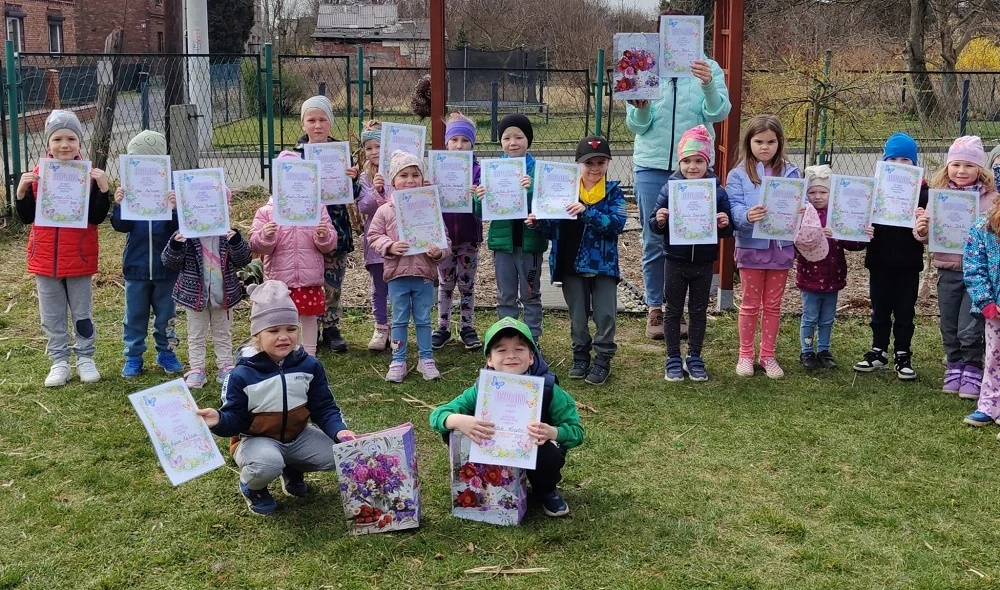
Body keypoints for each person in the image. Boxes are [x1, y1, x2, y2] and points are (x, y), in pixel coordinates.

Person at [196, 280, 356, 516]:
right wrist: (218, 419)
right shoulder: (241, 374)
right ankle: (253, 487)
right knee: (266, 464)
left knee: (341, 453)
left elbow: (324, 407)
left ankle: (291, 466)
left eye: (291, 329)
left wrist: (339, 431)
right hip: (257, 440)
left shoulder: (310, 366)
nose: (284, 337)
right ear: (257, 336)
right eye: (273, 331)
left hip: (298, 435)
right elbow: (235, 419)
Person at [625, 9, 732, 340]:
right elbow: (636, 126)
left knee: (692, 235)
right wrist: (641, 106)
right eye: (668, 31)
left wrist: (709, 85)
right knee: (653, 238)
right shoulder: (641, 64)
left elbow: (718, 112)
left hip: (693, 169)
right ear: (659, 34)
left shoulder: (707, 67)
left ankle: (683, 307)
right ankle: (656, 309)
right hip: (651, 166)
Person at [429, 317, 584, 517]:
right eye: (501, 350)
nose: (511, 355)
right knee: (451, 429)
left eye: (519, 349)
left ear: (531, 357)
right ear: (490, 359)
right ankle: (486, 485)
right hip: (493, 452)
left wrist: (554, 432)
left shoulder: (548, 389)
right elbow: (437, 415)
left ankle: (545, 489)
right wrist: (458, 421)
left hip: (535, 452)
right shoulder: (481, 389)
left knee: (548, 451)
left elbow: (577, 432)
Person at [14, 110, 112, 387]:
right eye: (57, 139)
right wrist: (21, 192)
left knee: (82, 313)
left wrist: (103, 190)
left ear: (80, 143)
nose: (64, 145)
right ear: (48, 144)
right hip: (45, 260)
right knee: (52, 316)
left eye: (71, 138)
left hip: (79, 258)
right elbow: (26, 217)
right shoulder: (37, 176)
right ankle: (59, 362)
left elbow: (96, 217)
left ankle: (85, 358)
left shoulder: (89, 177)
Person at [529, 136, 627, 385]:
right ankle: (580, 355)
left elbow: (616, 224)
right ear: (578, 165)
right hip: (570, 264)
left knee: (605, 314)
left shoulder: (614, 192)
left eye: (600, 162)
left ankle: (603, 358)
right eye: (588, 163)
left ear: (608, 164)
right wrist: (537, 222)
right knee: (578, 315)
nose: (595, 168)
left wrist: (587, 212)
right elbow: (552, 229)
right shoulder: (563, 191)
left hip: (603, 266)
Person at [649, 125, 734, 382]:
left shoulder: (717, 192)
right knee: (673, 310)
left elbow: (729, 229)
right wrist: (660, 220)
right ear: (679, 162)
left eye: (699, 161)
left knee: (698, 311)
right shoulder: (669, 189)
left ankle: (695, 356)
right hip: (675, 260)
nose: (692, 167)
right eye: (687, 161)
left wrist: (724, 223)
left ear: (707, 163)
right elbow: (653, 224)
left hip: (704, 262)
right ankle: (673, 357)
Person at [915, 136, 997, 394]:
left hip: (979, 274)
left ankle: (972, 368)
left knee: (970, 324)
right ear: (947, 167)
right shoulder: (939, 197)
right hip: (947, 269)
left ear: (980, 170)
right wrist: (922, 229)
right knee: (949, 323)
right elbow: (928, 236)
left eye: (969, 166)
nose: (961, 171)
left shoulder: (992, 199)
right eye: (956, 165)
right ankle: (954, 365)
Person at [726, 114, 801, 379]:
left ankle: (767, 354)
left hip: (780, 250)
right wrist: (746, 216)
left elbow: (800, 209)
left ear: (780, 143)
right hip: (751, 249)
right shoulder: (738, 175)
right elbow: (732, 207)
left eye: (771, 142)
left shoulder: (792, 173)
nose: (765, 147)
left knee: (772, 306)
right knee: (749, 305)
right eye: (759, 141)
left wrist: (800, 213)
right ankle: (745, 354)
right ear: (749, 142)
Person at [367, 150, 449, 382]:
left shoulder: (431, 209)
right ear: (393, 181)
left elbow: (445, 240)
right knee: (399, 319)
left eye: (415, 174)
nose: (410, 180)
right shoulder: (385, 210)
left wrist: (438, 252)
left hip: (424, 274)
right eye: (404, 175)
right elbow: (373, 236)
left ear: (423, 180)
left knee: (423, 318)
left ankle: (426, 358)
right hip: (397, 275)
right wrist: (390, 246)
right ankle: (398, 359)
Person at [852, 133, 928, 380]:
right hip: (880, 260)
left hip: (908, 262)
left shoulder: (924, 193)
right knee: (880, 308)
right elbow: (858, 221)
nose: (898, 164)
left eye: (905, 160)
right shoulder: (874, 191)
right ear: (884, 162)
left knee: (906, 311)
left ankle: (903, 354)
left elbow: (931, 231)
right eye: (892, 159)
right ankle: (878, 350)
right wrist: (864, 227)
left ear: (915, 164)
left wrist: (923, 220)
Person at [250, 151, 338, 356]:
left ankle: (309, 355)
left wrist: (323, 236)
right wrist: (266, 236)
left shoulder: (316, 208)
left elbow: (329, 245)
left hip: (308, 279)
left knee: (308, 318)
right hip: (280, 279)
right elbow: (256, 245)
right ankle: (283, 355)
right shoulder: (267, 212)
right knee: (281, 320)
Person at [110, 130, 183, 378]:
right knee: (135, 316)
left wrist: (175, 209)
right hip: (136, 267)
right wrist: (119, 205)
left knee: (167, 314)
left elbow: (180, 230)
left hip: (167, 269)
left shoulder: (173, 190)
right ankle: (133, 356)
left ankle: (167, 352)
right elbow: (121, 226)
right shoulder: (128, 190)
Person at [161, 198, 252, 388]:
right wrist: (175, 246)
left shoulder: (228, 235)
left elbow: (243, 259)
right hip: (195, 296)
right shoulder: (186, 236)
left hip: (223, 295)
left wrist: (236, 242)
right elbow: (169, 262)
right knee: (196, 333)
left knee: (222, 331)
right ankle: (196, 368)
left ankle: (226, 366)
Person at [292, 96, 357, 352]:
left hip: (336, 224)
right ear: (303, 123)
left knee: (333, 279)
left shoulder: (341, 154)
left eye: (322, 120)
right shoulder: (293, 155)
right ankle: (310, 327)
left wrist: (353, 179)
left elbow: (354, 194)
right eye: (311, 120)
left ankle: (331, 326)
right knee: (309, 278)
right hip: (304, 229)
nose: (317, 126)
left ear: (330, 122)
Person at [478, 114, 545, 344]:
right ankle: (508, 339)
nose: (513, 142)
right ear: (500, 142)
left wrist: (532, 188)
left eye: (519, 137)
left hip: (530, 245)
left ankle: (533, 340)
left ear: (529, 140)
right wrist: (480, 199)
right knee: (505, 295)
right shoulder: (492, 172)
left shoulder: (538, 172)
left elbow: (547, 204)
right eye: (506, 137)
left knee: (530, 294)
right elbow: (480, 212)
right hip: (503, 246)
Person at [793, 165, 867, 370]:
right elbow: (796, 244)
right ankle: (807, 351)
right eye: (812, 192)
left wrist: (864, 236)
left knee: (827, 318)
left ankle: (824, 350)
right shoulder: (802, 216)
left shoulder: (840, 215)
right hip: (809, 276)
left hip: (834, 276)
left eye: (823, 192)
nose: (817, 196)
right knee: (809, 317)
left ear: (831, 193)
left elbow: (852, 244)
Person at [432, 112, 484, 352]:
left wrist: (479, 192)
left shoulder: (478, 171)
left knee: (466, 283)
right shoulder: (437, 168)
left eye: (465, 140)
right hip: (443, 238)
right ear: (446, 142)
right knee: (445, 283)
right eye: (454, 140)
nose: (459, 145)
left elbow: (486, 200)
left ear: (472, 143)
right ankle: (442, 327)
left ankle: (466, 327)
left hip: (469, 237)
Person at [354, 120, 391, 351]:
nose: (374, 152)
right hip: (375, 240)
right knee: (379, 286)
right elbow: (364, 207)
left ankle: (397, 328)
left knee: (398, 285)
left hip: (398, 239)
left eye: (379, 146)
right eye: (369, 148)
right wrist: (377, 190)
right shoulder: (365, 177)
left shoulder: (400, 170)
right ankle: (380, 327)